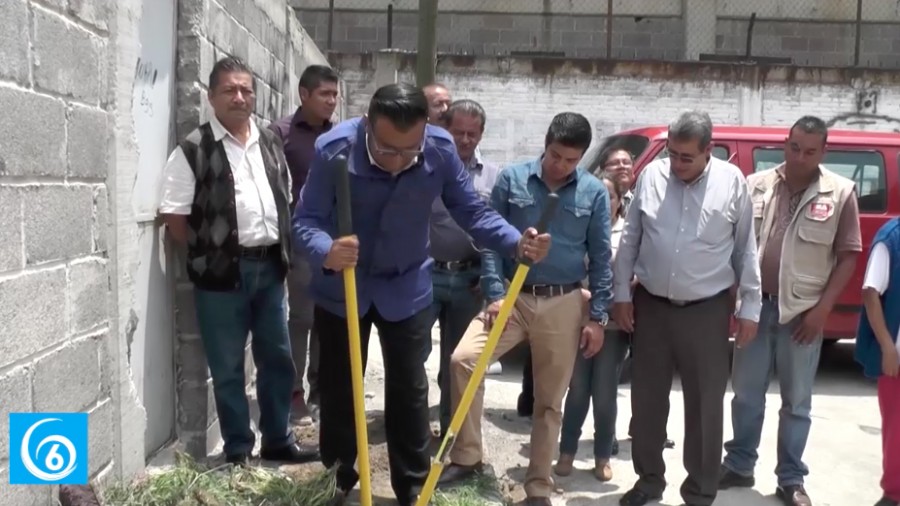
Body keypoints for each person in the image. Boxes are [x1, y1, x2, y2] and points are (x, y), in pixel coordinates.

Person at [292, 83, 551, 505]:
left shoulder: (439, 150)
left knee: (409, 391)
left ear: (425, 130)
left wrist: (515, 242)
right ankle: (338, 478)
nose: (398, 161)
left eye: (409, 151)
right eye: (387, 150)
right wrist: (327, 249)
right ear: (368, 126)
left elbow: (471, 210)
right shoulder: (334, 150)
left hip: (406, 284)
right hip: (344, 285)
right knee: (340, 389)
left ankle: (412, 485)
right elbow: (305, 221)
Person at [440, 112, 613, 506]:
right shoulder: (512, 179)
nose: (561, 165)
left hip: (563, 302)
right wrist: (495, 294)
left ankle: (538, 486)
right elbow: (490, 239)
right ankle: (467, 457)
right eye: (555, 155)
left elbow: (602, 257)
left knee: (549, 401)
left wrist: (598, 317)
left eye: (571, 160)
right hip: (512, 298)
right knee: (464, 360)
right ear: (545, 144)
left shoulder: (593, 193)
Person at [158, 56, 318, 466]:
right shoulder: (193, 149)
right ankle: (238, 449)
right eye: (229, 90)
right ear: (211, 97)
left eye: (246, 90)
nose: (240, 97)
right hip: (221, 276)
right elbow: (175, 218)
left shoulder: (269, 141)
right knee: (228, 366)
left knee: (277, 359)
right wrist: (211, 255)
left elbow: (284, 196)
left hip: (271, 269)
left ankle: (278, 439)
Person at [613, 110, 761, 506]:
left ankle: (700, 491)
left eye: (687, 157)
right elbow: (630, 239)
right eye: (672, 154)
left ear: (709, 150)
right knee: (647, 400)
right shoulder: (652, 176)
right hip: (652, 307)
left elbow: (745, 249)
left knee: (705, 404)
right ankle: (648, 481)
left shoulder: (732, 183)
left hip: (706, 310)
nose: (677, 164)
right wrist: (621, 295)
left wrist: (750, 307)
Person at [721, 116, 862, 506]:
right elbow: (735, 245)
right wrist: (735, 299)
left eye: (810, 151)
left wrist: (823, 311)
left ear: (824, 151)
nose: (800, 158)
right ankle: (739, 464)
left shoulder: (840, 192)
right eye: (794, 148)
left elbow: (849, 257)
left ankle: (790, 479)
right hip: (755, 308)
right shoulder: (756, 184)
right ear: (785, 142)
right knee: (745, 394)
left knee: (797, 402)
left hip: (803, 314)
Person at [427, 99, 502, 438]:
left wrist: (489, 277)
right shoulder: (426, 168)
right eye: (459, 132)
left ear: (482, 134)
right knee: (411, 353)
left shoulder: (494, 177)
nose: (466, 140)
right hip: (427, 276)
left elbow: (495, 229)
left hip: (470, 281)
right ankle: (410, 430)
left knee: (457, 362)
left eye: (473, 134)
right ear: (446, 129)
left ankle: (451, 435)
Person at [269, 64, 339, 426]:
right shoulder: (280, 134)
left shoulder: (341, 136)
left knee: (328, 318)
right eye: (325, 94)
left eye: (335, 94)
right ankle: (293, 393)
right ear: (304, 94)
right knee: (301, 318)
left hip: (335, 243)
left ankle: (321, 392)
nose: (332, 101)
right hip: (299, 241)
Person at [554, 174, 627, 482]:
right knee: (578, 389)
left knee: (605, 392)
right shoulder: (576, 227)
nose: (604, 202)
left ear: (619, 201)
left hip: (613, 325)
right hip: (578, 319)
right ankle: (567, 451)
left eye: (609, 196)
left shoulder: (629, 232)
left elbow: (636, 271)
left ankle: (602, 456)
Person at [856, 217, 900, 506]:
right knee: (896, 431)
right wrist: (887, 346)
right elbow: (871, 292)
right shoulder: (892, 238)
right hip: (897, 359)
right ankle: (894, 494)